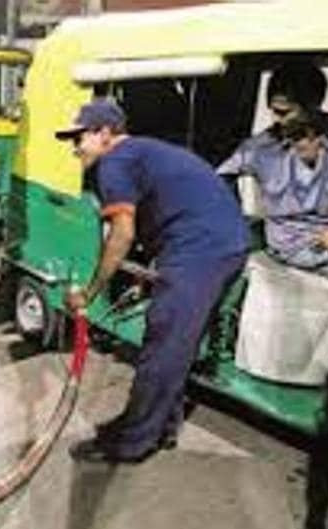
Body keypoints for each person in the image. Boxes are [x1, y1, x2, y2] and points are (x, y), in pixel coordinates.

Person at [59, 99, 249, 463]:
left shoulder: (114, 162)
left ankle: (132, 443)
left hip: (202, 249)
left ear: (104, 133)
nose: (75, 149)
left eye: (79, 139)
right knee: (176, 344)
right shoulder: (141, 152)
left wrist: (90, 292)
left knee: (162, 344)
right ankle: (160, 427)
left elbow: (122, 234)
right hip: (223, 244)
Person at [218, 113, 328, 283]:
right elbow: (224, 172)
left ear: (320, 139)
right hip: (295, 240)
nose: (293, 145)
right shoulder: (264, 152)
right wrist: (232, 217)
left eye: (300, 138)